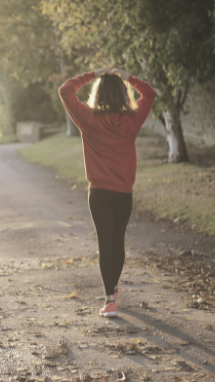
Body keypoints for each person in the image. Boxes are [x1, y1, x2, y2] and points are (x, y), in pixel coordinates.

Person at [58, 67, 157, 317]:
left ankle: (110, 300)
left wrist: (91, 74)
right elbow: (150, 93)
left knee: (105, 243)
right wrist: (129, 77)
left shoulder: (87, 118)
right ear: (123, 95)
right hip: (123, 193)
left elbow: (65, 90)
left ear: (98, 94)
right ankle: (112, 290)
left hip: (99, 193)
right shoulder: (133, 120)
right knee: (118, 241)